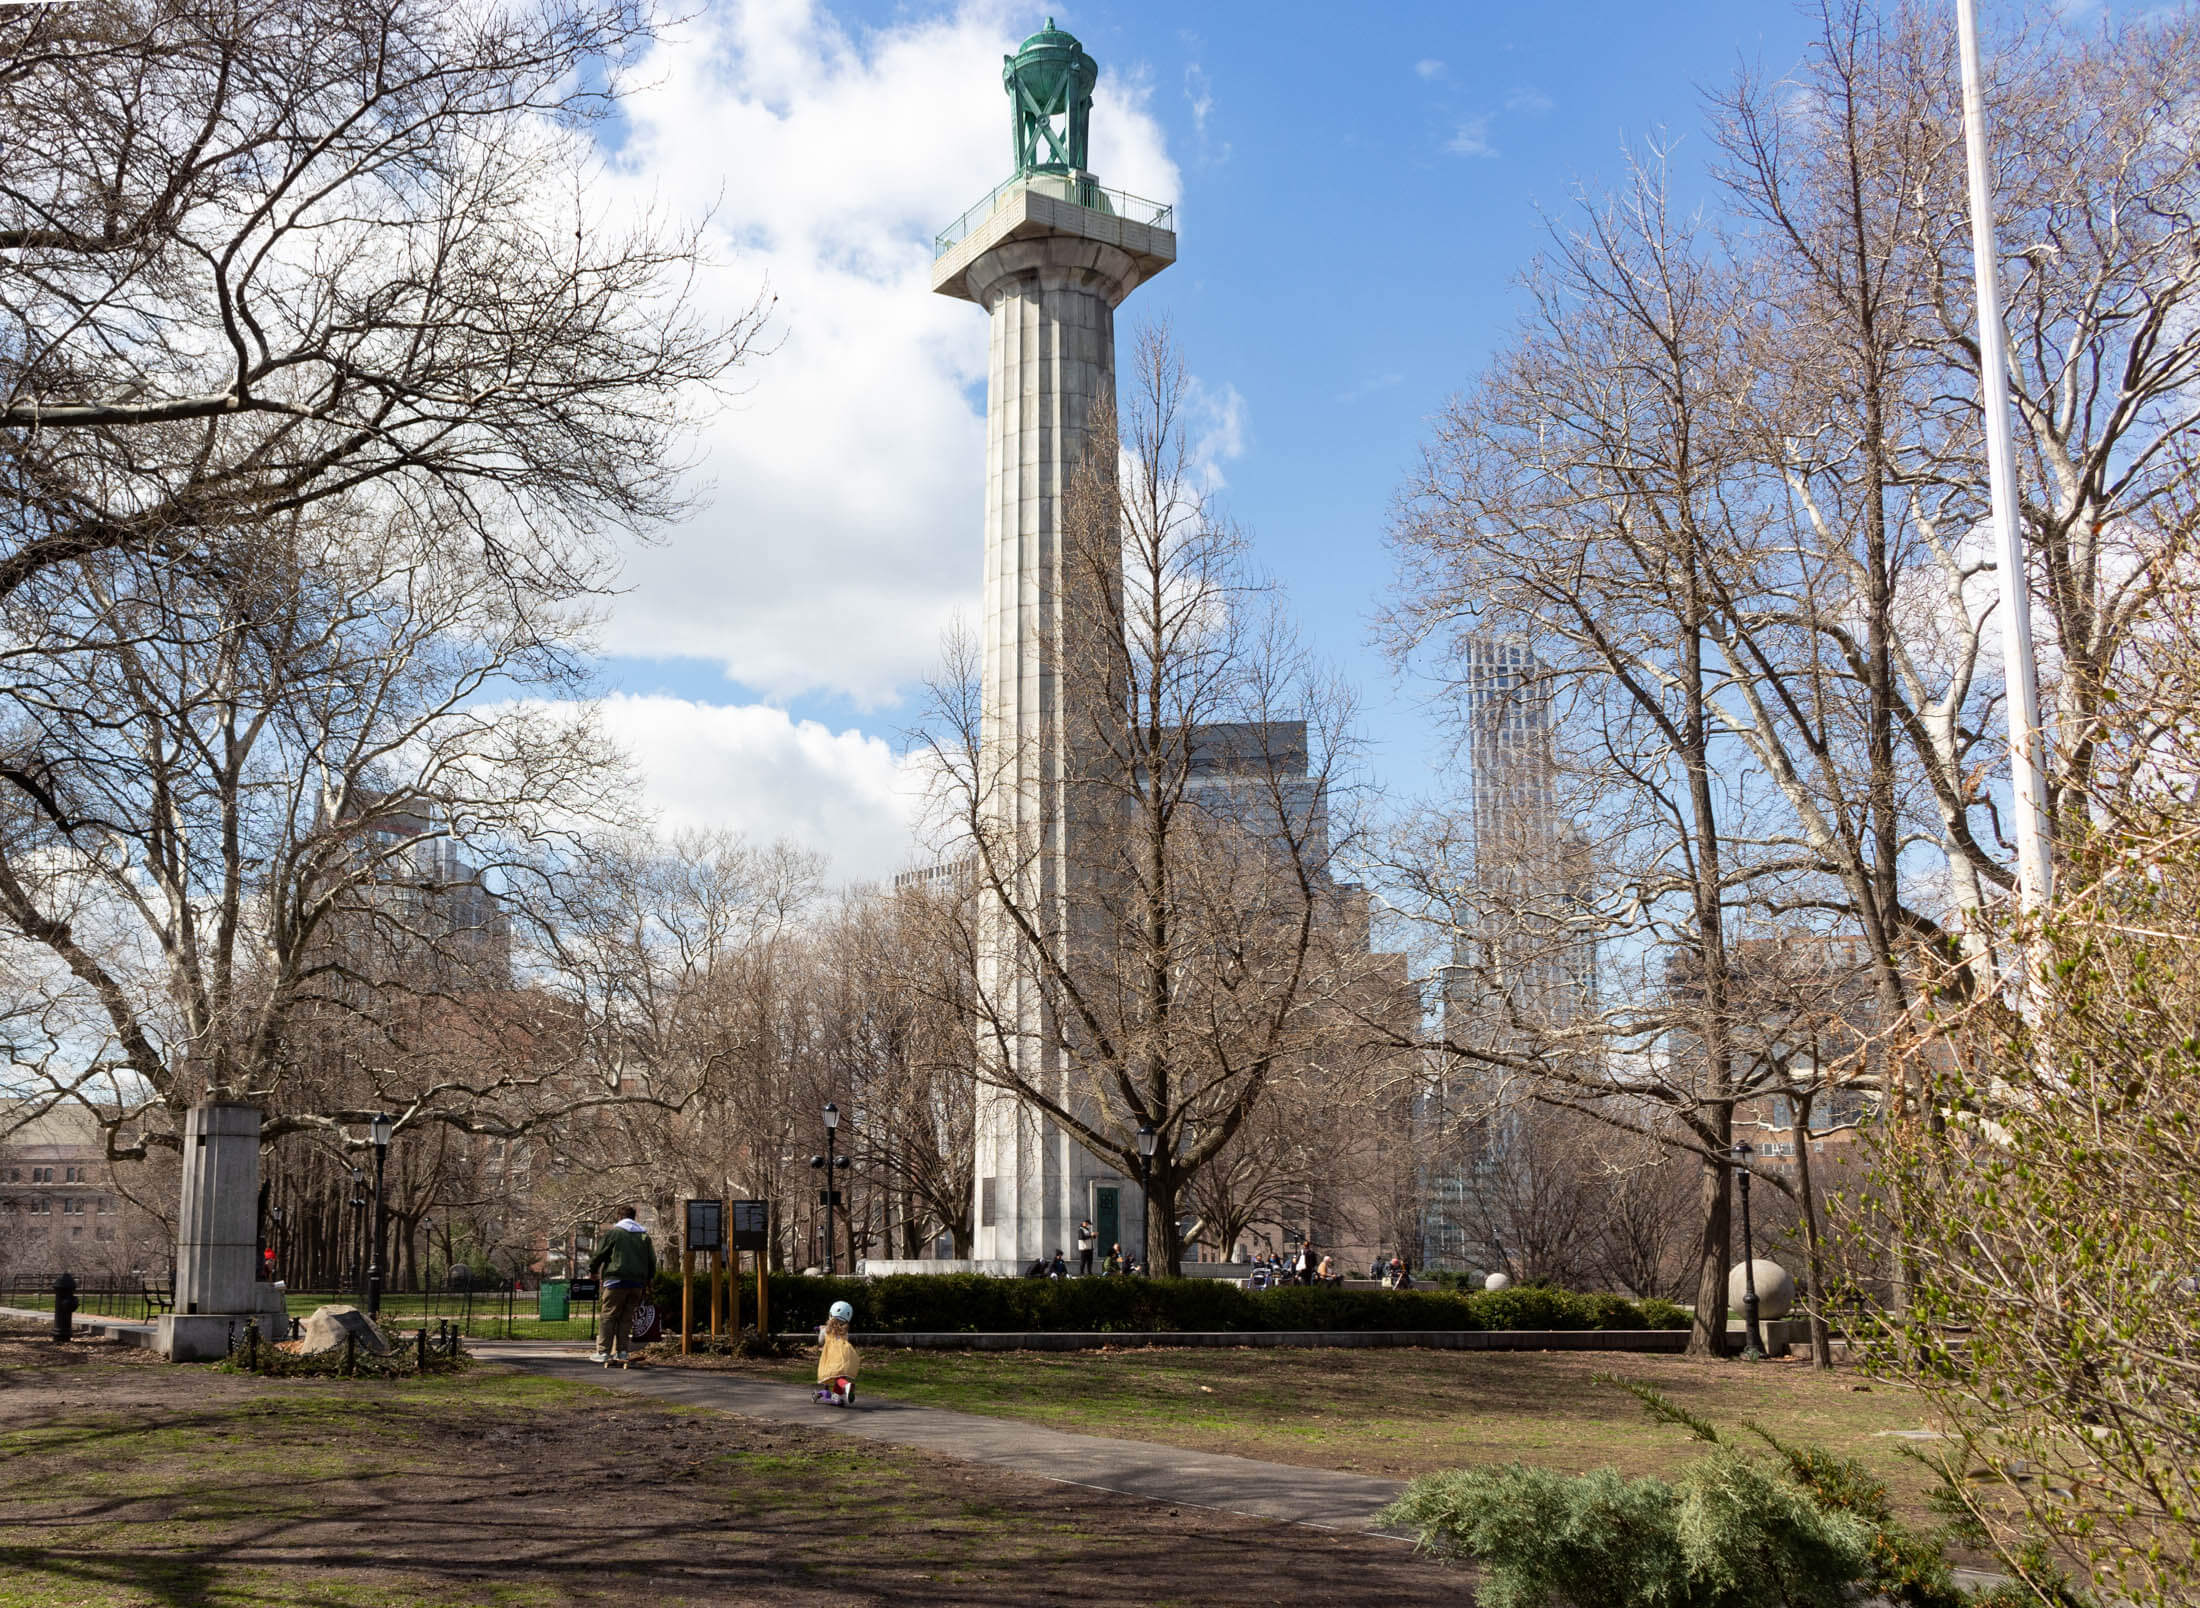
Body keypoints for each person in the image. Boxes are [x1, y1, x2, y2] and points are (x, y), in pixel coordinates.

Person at [588, 1207, 656, 1366]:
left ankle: (604, 1352)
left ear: (619, 1217)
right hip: (637, 1283)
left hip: (616, 1280)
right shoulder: (644, 1236)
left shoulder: (615, 1233)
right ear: (634, 1216)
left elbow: (600, 1254)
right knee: (626, 1317)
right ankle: (622, 1351)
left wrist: (593, 1271)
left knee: (609, 1316)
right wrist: (649, 1279)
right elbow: (651, 1260)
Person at [814, 1299, 860, 1406]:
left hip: (833, 1356)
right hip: (847, 1353)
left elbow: (821, 1341)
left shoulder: (826, 1330)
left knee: (833, 1374)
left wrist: (821, 1331)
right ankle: (838, 1395)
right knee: (841, 1375)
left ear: (831, 1314)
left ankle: (846, 1386)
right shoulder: (845, 1331)